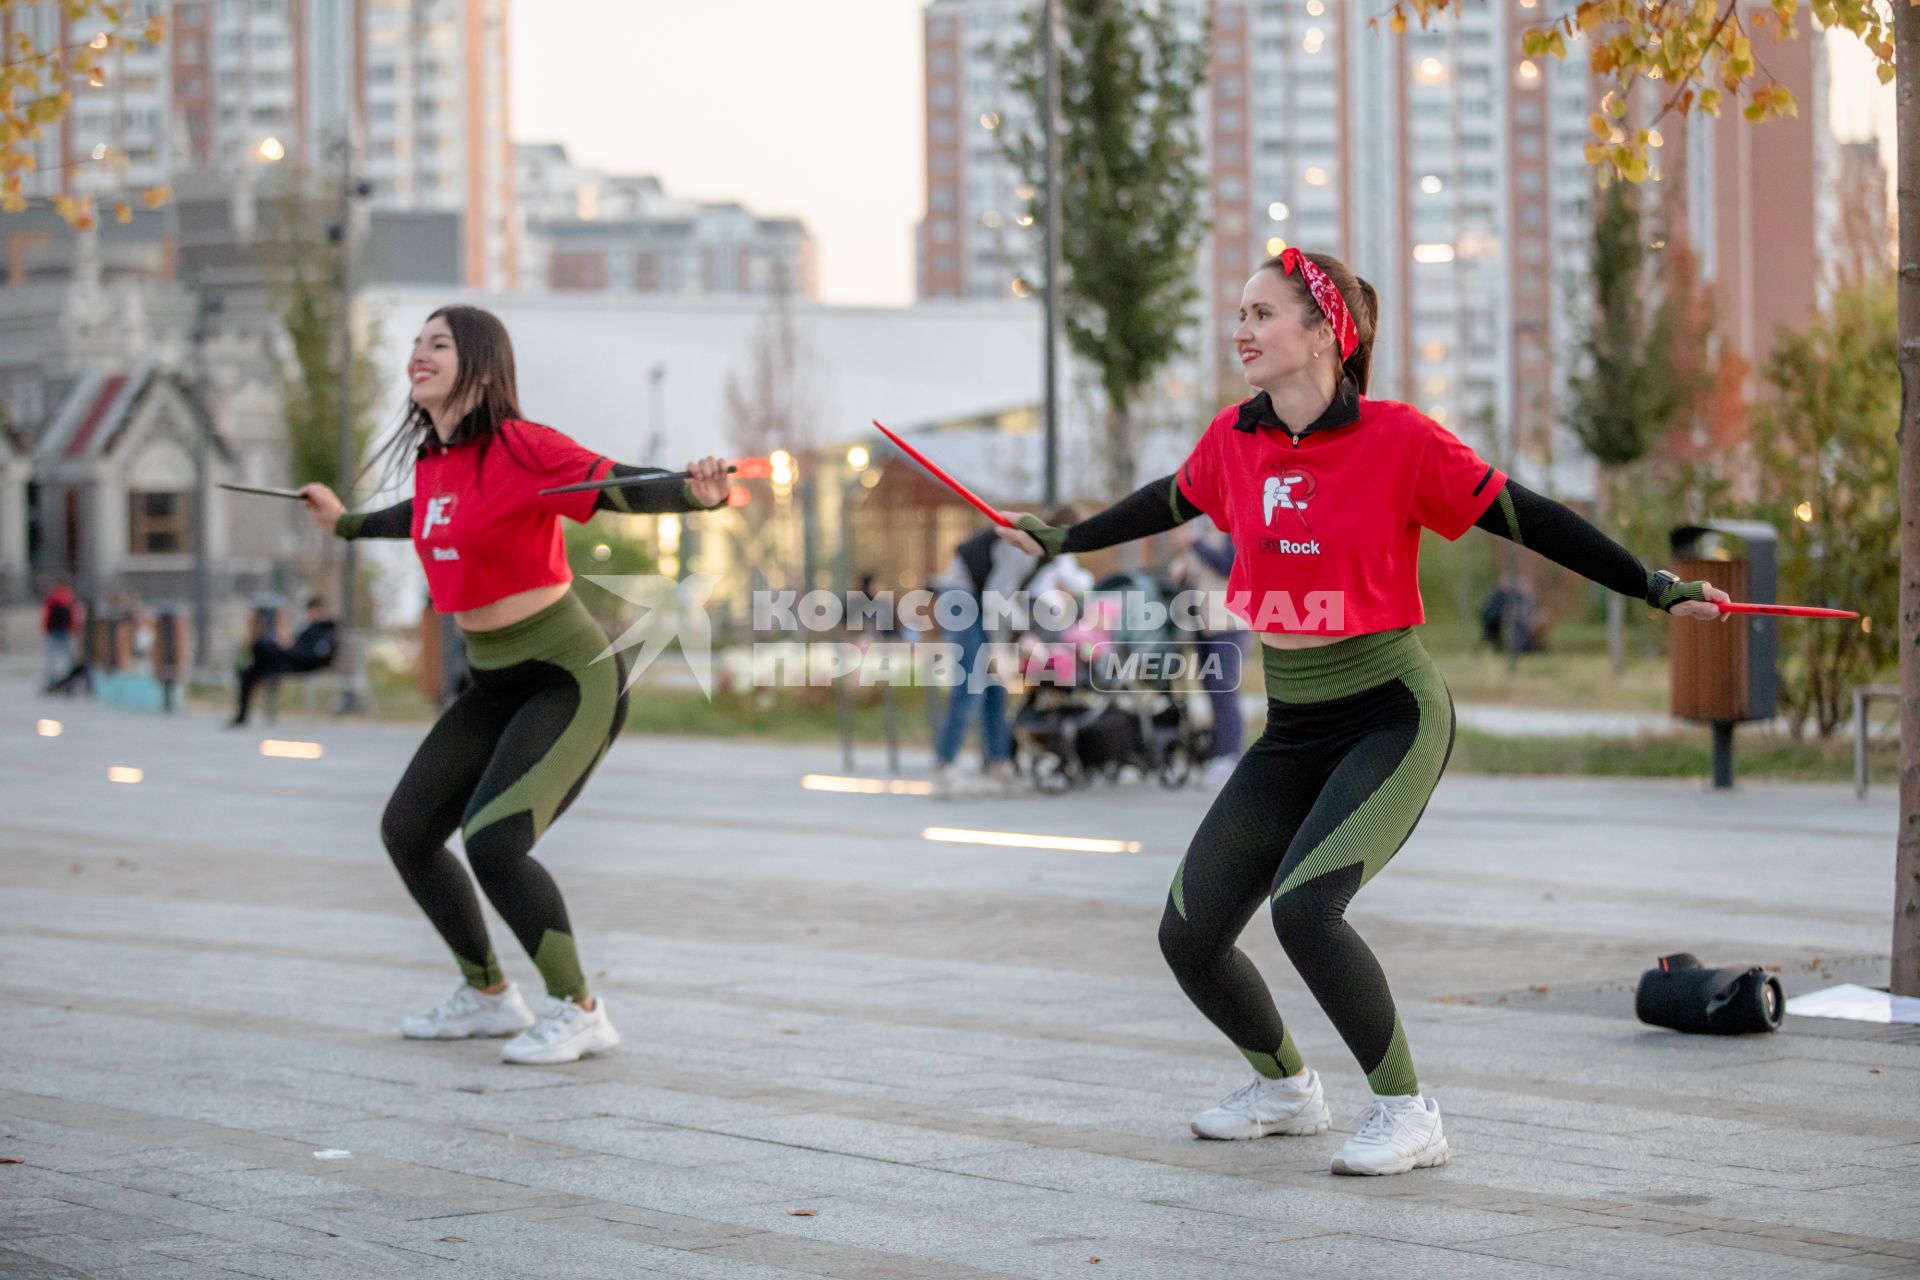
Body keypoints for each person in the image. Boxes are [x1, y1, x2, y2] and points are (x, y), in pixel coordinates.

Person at [997, 249, 1727, 1176]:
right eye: (1241, 313)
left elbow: (1532, 517)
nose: (1243, 330)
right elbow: (1166, 500)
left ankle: (1409, 1112)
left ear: (1323, 333)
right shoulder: (1237, 438)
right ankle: (1286, 1091)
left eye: (1263, 313)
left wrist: (1653, 587)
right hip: (1294, 724)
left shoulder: (1401, 441)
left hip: (1392, 713)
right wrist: (1066, 537)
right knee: (1190, 932)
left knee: (1307, 908)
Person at [299, 304, 730, 1065]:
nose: (418, 355)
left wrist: (695, 493)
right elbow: (420, 517)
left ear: (484, 367)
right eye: (415, 344)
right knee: (408, 831)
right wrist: (343, 524)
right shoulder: (436, 460)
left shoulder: (525, 448)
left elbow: (619, 487)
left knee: (495, 841)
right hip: (493, 681)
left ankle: (581, 1009)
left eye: (439, 344)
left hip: (569, 677)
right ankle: (488, 996)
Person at [930, 507, 1083, 796]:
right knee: (972, 682)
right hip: (962, 596)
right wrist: (1007, 644)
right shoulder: (1024, 546)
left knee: (995, 688)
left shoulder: (1045, 557)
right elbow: (995, 598)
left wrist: (1012, 640)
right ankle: (945, 764)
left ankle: (999, 763)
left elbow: (1009, 600)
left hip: (982, 601)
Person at [1169, 519, 1248, 787]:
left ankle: (1231, 755)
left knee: (1224, 687)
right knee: (1210, 687)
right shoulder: (1202, 532)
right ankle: (1218, 752)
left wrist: (1195, 544)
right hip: (1202, 623)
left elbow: (1228, 565)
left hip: (1228, 621)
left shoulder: (1232, 530)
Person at [228, 596, 338, 727]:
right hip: (290, 660)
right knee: (249, 672)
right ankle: (242, 714)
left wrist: (292, 652)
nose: (311, 614)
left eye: (314, 610)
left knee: (261, 646)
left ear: (321, 611)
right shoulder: (308, 628)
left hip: (303, 663)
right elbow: (296, 645)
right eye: (310, 610)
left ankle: (256, 663)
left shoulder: (326, 630)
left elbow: (319, 655)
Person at [41, 581, 80, 692]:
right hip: (66, 631)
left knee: (51, 657)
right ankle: (73, 679)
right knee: (70, 657)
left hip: (53, 632)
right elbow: (73, 615)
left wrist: (45, 628)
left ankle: (51, 680)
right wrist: (74, 628)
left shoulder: (51, 599)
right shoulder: (69, 598)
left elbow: (47, 615)